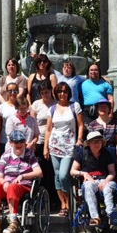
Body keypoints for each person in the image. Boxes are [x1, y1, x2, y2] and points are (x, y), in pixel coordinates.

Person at [0, 130, 43, 233]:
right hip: (7, 184)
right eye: (16, 142)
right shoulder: (6, 155)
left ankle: (13, 223)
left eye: (21, 142)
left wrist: (23, 176)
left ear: (25, 142)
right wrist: (5, 181)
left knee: (13, 187)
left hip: (23, 185)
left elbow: (39, 172)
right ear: (11, 143)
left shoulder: (29, 154)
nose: (19, 145)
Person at [44, 81, 84, 217]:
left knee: (63, 175)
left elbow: (81, 125)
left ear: (68, 93)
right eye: (60, 91)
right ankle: (64, 204)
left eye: (65, 91)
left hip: (69, 146)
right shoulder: (52, 109)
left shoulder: (75, 106)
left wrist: (79, 139)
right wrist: (45, 147)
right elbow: (49, 129)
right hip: (54, 145)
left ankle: (68, 200)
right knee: (56, 176)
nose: (62, 94)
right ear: (56, 93)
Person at [70, 131, 117, 227]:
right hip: (90, 180)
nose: (97, 144)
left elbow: (112, 172)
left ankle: (111, 215)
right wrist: (84, 173)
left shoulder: (107, 153)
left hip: (106, 179)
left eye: (99, 141)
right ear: (88, 143)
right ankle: (95, 217)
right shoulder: (82, 153)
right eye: (94, 141)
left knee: (107, 188)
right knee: (88, 187)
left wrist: (106, 181)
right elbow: (72, 171)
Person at [30, 80, 57, 205]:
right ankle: (39, 199)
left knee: (51, 171)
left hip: (54, 142)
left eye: (46, 92)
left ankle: (53, 199)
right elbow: (31, 123)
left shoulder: (56, 104)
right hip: (39, 141)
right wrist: (32, 141)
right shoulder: (36, 104)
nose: (44, 94)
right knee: (40, 171)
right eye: (42, 92)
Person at [88, 98, 117, 163]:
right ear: (97, 109)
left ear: (109, 109)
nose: (103, 109)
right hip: (97, 153)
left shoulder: (115, 123)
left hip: (111, 151)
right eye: (100, 107)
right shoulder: (92, 124)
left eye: (105, 107)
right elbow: (90, 142)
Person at [0, 82, 19, 157]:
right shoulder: (1, 107)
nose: (13, 93)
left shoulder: (22, 107)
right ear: (7, 92)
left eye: (15, 91)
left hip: (19, 142)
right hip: (5, 141)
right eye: (10, 91)